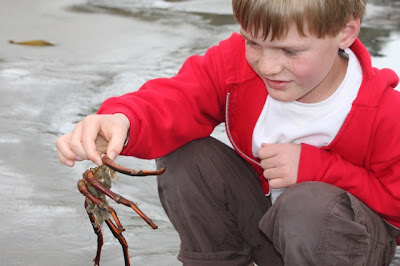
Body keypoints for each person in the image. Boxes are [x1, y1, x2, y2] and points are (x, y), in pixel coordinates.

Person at [56, 0, 400, 265]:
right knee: (187, 156)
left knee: (306, 205)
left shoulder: (386, 112)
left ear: (345, 33)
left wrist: (318, 170)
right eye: (253, 42)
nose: (267, 66)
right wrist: (123, 120)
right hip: (267, 232)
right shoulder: (236, 64)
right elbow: (178, 98)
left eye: (290, 51)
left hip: (348, 247)